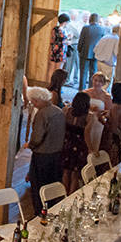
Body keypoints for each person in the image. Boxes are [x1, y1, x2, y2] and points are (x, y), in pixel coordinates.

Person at [25, 87, 65, 217]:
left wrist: (29, 145)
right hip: (57, 153)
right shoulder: (59, 111)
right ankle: (52, 210)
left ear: (37, 101)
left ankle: (39, 214)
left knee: (39, 187)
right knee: (52, 184)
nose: (33, 104)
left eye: (33, 102)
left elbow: (37, 138)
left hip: (43, 155)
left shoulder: (42, 114)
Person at [62, 92, 97, 195]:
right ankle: (71, 194)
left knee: (66, 170)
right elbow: (87, 136)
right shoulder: (89, 117)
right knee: (76, 173)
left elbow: (63, 128)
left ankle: (64, 194)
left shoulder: (67, 111)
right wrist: (91, 149)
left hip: (67, 143)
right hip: (80, 145)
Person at [101, 83, 121, 167]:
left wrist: (102, 120)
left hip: (113, 140)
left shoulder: (116, 108)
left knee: (110, 164)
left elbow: (113, 128)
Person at [77, 13, 104, 89]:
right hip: (96, 53)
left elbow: (81, 40)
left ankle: (81, 90)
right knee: (93, 73)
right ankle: (91, 89)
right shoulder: (101, 29)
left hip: (85, 52)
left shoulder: (85, 28)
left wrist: (79, 50)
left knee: (83, 73)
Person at [49, 13, 70, 79]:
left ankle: (50, 83)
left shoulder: (54, 29)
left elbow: (52, 40)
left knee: (51, 69)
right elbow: (63, 42)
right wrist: (68, 39)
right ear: (64, 22)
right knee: (58, 70)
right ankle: (56, 85)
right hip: (61, 51)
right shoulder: (62, 30)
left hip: (54, 50)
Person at [64, 11, 82, 87]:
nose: (77, 17)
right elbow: (77, 35)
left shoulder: (73, 24)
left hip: (73, 44)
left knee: (71, 63)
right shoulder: (71, 24)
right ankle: (66, 79)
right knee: (69, 63)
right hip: (72, 44)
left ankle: (68, 79)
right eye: (76, 15)